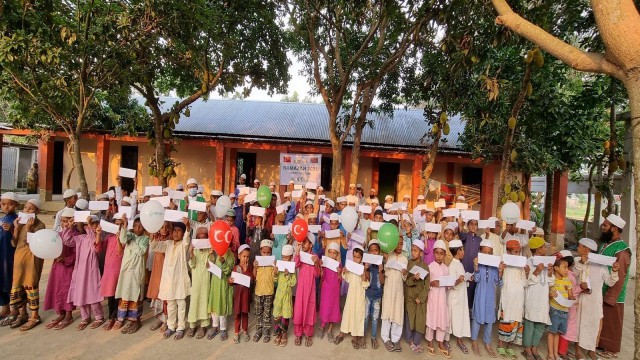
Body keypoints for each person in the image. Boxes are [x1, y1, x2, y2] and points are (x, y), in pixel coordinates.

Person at [574, 238, 619, 359]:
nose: (578, 248)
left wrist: (614, 271)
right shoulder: (577, 260)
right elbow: (573, 274)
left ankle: (591, 349)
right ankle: (577, 349)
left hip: (594, 300)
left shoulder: (601, 265)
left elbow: (610, 282)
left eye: (580, 246)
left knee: (593, 324)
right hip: (580, 299)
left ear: (586, 249)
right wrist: (582, 263)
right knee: (578, 323)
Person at [6, 198, 46, 331]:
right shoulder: (20, 223)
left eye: (31, 208)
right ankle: (22, 313)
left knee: (30, 284)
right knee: (18, 284)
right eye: (25, 208)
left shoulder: (40, 225)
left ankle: (34, 316)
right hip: (19, 258)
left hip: (32, 259)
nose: (27, 210)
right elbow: (13, 243)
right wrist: (16, 228)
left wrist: (29, 229)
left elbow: (35, 245)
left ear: (37, 211)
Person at [62, 215, 105, 330]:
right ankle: (85, 317)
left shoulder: (98, 236)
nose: (94, 225)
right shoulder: (80, 238)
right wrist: (69, 228)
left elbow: (94, 244)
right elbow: (67, 241)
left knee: (92, 293)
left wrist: (89, 227)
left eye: (96, 223)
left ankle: (99, 316)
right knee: (80, 292)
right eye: (92, 223)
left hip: (91, 270)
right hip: (80, 270)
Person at [597, 214, 631, 357]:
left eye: (605, 225)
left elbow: (621, 275)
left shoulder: (622, 250)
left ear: (614, 228)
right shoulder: (606, 244)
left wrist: (611, 296)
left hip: (614, 293)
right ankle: (601, 344)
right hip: (602, 288)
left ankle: (611, 350)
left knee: (612, 322)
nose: (602, 227)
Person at [152, 220, 191, 340]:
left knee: (181, 304)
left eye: (179, 231)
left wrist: (188, 227)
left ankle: (180, 327)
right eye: (174, 230)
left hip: (179, 280)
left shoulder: (183, 245)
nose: (176, 233)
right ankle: (171, 326)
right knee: (171, 305)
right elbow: (155, 246)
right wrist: (152, 238)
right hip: (168, 279)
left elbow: (187, 240)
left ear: (183, 233)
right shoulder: (168, 243)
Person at [114, 214, 149, 334]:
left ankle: (136, 320)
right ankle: (126, 319)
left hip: (137, 271)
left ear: (144, 228)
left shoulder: (145, 239)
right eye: (135, 226)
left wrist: (132, 242)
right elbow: (123, 240)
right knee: (125, 293)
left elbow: (141, 251)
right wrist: (124, 225)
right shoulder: (129, 235)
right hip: (126, 270)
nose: (137, 228)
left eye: (140, 226)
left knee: (135, 295)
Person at [43, 207, 76, 330]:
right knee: (56, 288)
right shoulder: (58, 235)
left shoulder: (75, 236)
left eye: (68, 221)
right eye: (62, 221)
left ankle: (68, 314)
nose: (65, 224)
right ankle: (60, 313)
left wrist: (66, 259)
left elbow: (77, 254)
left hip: (68, 267)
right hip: (57, 267)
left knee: (66, 290)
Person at [470, 239, 504, 358]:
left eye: (490, 253)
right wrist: (476, 266)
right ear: (480, 252)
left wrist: (500, 272)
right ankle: (474, 341)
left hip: (490, 297)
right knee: (477, 319)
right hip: (480, 295)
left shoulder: (494, 267)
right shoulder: (478, 264)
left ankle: (487, 343)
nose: (487, 255)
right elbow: (477, 279)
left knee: (489, 320)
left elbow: (499, 283)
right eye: (485, 252)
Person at [522, 237, 555, 360]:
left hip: (543, 299)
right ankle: (527, 348)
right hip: (532, 298)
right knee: (530, 324)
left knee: (540, 324)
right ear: (539, 250)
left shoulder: (547, 263)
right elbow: (525, 282)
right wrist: (536, 271)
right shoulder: (529, 262)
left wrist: (550, 273)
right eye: (544, 247)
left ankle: (534, 347)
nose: (546, 249)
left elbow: (551, 283)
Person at [497, 239, 528, 358]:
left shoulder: (521, 266)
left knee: (516, 322)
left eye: (519, 252)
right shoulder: (503, 264)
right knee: (506, 321)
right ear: (508, 252)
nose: (517, 254)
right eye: (515, 252)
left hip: (518, 299)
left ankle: (510, 346)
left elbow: (525, 283)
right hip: (507, 299)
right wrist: (501, 271)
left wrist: (527, 272)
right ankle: (500, 345)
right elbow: (499, 283)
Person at [334, 246, 370, 349]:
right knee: (347, 313)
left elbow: (366, 284)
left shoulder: (364, 269)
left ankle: (355, 336)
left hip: (359, 296)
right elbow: (347, 278)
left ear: (362, 258)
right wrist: (344, 271)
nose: (355, 259)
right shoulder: (351, 266)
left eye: (358, 257)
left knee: (357, 315)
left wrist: (364, 277)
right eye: (354, 257)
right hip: (351, 295)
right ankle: (342, 332)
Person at [380, 237, 408, 352]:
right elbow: (385, 272)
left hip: (399, 289)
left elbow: (405, 278)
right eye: (397, 244)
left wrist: (405, 273)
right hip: (388, 288)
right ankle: (386, 338)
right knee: (387, 311)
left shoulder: (405, 259)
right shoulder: (389, 255)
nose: (399, 246)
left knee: (397, 312)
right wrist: (386, 262)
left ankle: (395, 339)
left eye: (401, 244)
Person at [293, 232, 321, 347]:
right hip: (301, 288)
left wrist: (316, 263)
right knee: (299, 309)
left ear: (311, 245)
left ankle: (308, 334)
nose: (303, 244)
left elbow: (317, 274)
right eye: (302, 242)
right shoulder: (301, 255)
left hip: (310, 289)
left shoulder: (314, 257)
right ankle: (298, 334)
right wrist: (297, 252)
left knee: (309, 309)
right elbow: (295, 265)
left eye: (305, 242)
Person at [425, 240, 451, 358]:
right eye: (437, 253)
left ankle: (440, 341)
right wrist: (432, 283)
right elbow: (426, 283)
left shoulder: (446, 268)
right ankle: (430, 340)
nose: (439, 255)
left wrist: (453, 282)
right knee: (431, 317)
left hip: (442, 298)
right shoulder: (430, 267)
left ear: (444, 254)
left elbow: (449, 284)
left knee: (441, 318)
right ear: (433, 253)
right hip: (433, 297)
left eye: (441, 253)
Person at [403, 240, 429, 354]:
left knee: (420, 320)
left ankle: (417, 341)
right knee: (409, 319)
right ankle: (410, 341)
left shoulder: (425, 266)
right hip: (410, 297)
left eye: (415, 251)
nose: (413, 253)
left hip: (420, 300)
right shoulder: (408, 264)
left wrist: (421, 298)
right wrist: (413, 278)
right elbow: (406, 281)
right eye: (412, 250)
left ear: (421, 253)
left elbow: (427, 285)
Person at [547, 257, 575, 360]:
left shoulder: (567, 280)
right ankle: (550, 354)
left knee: (558, 332)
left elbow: (570, 295)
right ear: (556, 268)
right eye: (564, 267)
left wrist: (574, 301)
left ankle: (556, 354)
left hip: (565, 311)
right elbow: (548, 294)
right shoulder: (552, 280)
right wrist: (551, 295)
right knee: (551, 331)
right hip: (554, 309)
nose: (567, 270)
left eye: (567, 268)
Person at [99, 215, 124, 331]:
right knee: (110, 295)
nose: (118, 226)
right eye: (116, 224)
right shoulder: (109, 237)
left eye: (121, 224)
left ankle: (118, 317)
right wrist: (98, 234)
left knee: (118, 295)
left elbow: (120, 252)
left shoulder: (124, 238)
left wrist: (119, 238)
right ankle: (111, 317)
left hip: (119, 270)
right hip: (109, 271)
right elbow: (99, 247)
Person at [186, 227, 212, 339]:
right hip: (196, 281)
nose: (201, 240)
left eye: (204, 238)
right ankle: (192, 325)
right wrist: (191, 253)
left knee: (204, 301)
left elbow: (211, 265)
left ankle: (203, 325)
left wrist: (211, 253)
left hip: (206, 281)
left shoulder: (209, 250)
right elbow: (192, 265)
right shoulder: (194, 250)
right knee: (194, 301)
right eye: (199, 238)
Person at [447, 239, 471, 354]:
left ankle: (459, 340)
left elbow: (462, 279)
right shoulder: (452, 265)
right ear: (458, 251)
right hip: (455, 297)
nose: (464, 252)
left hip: (462, 296)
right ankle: (447, 340)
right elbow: (451, 283)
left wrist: (467, 278)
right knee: (452, 319)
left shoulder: (460, 264)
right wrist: (458, 280)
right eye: (462, 250)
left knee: (460, 318)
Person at [207, 245, 234, 341]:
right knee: (214, 306)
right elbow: (210, 264)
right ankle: (215, 326)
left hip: (223, 284)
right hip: (215, 283)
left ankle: (223, 328)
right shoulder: (215, 251)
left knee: (222, 305)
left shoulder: (230, 255)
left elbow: (229, 270)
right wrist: (210, 257)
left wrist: (223, 262)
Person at [147, 221, 171, 332]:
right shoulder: (157, 238)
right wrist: (153, 238)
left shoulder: (170, 241)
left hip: (166, 272)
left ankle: (167, 320)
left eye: (167, 227)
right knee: (157, 295)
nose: (164, 229)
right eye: (162, 227)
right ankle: (160, 318)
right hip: (157, 270)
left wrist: (153, 241)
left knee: (166, 297)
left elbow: (157, 248)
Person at [272, 244, 297, 347]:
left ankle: (284, 334)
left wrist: (288, 275)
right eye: (282, 257)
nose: (284, 259)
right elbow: (275, 281)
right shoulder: (280, 267)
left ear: (291, 257)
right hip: (278, 295)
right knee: (277, 315)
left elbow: (293, 283)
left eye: (286, 257)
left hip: (286, 296)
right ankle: (278, 334)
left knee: (285, 316)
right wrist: (275, 273)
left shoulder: (292, 269)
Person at [253, 239, 276, 343]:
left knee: (267, 312)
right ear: (260, 251)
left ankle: (266, 330)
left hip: (269, 291)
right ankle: (259, 330)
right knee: (258, 312)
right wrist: (254, 267)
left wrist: (275, 270)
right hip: (258, 291)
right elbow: (254, 276)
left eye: (268, 253)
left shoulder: (272, 264)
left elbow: (275, 279)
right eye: (264, 252)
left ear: (271, 252)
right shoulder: (257, 263)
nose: (266, 255)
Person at [0, 192, 19, 323]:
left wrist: (13, 229)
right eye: (3, 204)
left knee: (10, 281)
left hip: (10, 257)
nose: (6, 207)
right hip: (0, 256)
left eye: (10, 204)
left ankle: (15, 308)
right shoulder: (1, 220)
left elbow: (21, 239)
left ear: (16, 205)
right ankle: (4, 307)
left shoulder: (18, 220)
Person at [319, 242, 342, 342]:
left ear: (337, 255)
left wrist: (340, 273)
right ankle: (322, 326)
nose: (332, 255)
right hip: (326, 289)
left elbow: (341, 280)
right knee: (325, 307)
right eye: (330, 253)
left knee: (333, 308)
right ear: (328, 253)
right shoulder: (325, 263)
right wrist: (321, 268)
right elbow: (322, 276)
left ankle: (330, 330)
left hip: (335, 290)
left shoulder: (339, 265)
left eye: (334, 253)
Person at [458, 216, 482, 309]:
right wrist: (460, 225)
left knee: (473, 290)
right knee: (465, 289)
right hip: (465, 266)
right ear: (468, 225)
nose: (473, 226)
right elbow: (461, 234)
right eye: (471, 224)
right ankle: (463, 311)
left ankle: (471, 312)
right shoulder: (465, 236)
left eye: (475, 224)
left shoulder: (479, 239)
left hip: (475, 268)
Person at [231, 244, 253, 343]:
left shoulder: (249, 268)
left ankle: (245, 331)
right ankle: (236, 332)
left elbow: (251, 280)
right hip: (238, 296)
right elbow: (232, 282)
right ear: (239, 256)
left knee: (245, 314)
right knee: (237, 315)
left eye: (247, 257)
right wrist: (230, 281)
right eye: (244, 256)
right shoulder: (236, 268)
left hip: (245, 296)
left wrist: (246, 270)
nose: (246, 259)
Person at [364, 240, 384, 349]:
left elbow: (382, 282)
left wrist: (381, 270)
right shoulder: (368, 264)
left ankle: (373, 337)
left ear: (379, 252)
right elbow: (366, 279)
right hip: (368, 294)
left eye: (375, 251)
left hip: (377, 295)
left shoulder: (381, 264)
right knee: (366, 317)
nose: (373, 253)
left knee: (375, 318)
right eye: (371, 251)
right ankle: (363, 335)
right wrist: (366, 269)